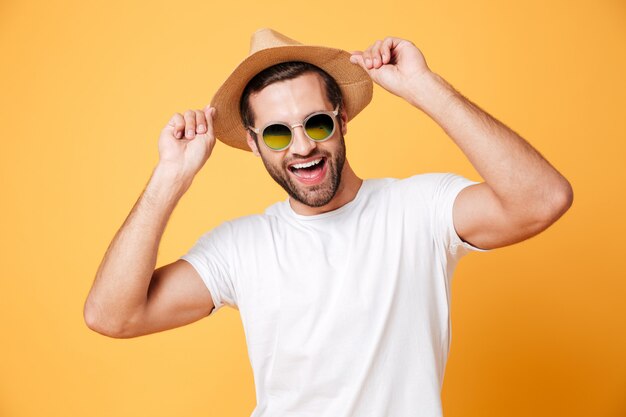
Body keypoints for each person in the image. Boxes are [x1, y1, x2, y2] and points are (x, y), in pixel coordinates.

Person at [84, 28, 573, 417]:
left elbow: (543, 200)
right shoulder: (240, 247)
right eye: (277, 133)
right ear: (254, 144)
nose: (302, 147)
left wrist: (426, 89)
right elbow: (112, 316)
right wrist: (169, 179)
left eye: (316, 123)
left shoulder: (418, 209)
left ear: (341, 120)